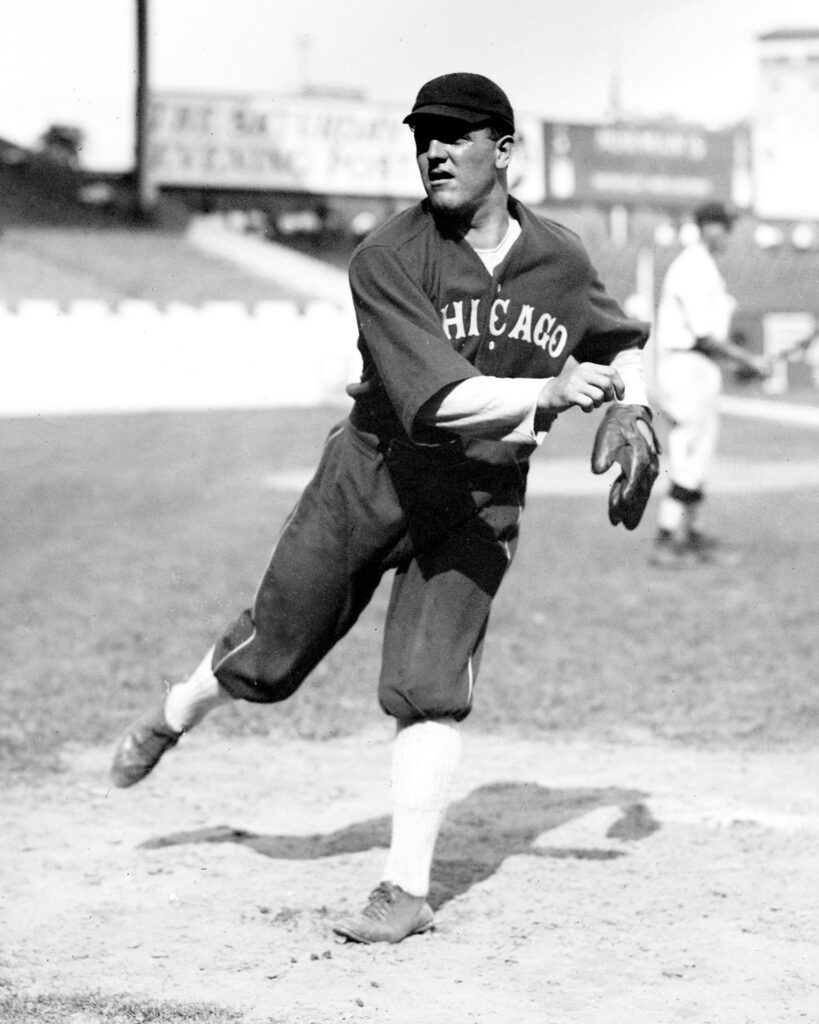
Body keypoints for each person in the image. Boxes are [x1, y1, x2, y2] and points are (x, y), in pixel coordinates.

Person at [111, 72, 659, 944]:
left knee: (429, 684)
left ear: (503, 149)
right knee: (273, 655)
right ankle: (176, 710)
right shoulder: (388, 255)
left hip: (477, 496)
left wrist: (634, 405)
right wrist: (547, 394)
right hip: (373, 476)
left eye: (453, 135)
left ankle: (404, 890)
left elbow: (619, 342)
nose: (432, 151)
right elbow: (433, 400)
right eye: (421, 137)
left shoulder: (558, 257)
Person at [650, 201, 769, 568]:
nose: (729, 234)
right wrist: (748, 361)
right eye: (725, 226)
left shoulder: (704, 266)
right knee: (689, 455)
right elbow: (704, 336)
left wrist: (739, 364)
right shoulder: (693, 267)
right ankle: (666, 539)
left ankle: (692, 534)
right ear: (709, 227)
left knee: (698, 454)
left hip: (696, 366)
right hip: (686, 366)